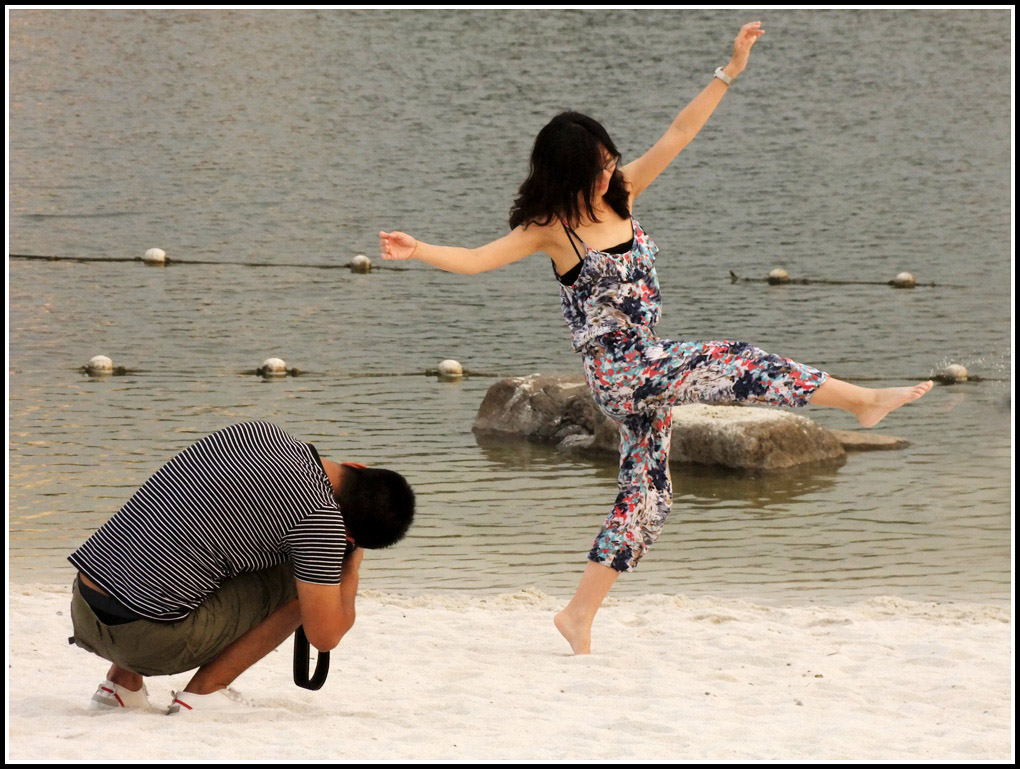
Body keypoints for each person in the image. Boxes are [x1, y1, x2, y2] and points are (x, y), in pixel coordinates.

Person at [378, 21, 932, 655]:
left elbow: (681, 132)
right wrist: (418, 248)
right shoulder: (551, 228)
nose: (610, 168)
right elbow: (477, 259)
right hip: (622, 371)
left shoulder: (625, 194)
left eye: (611, 158)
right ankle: (860, 401)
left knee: (650, 496)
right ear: (566, 172)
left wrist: (730, 70)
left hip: (648, 366)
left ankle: (578, 614)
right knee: (736, 360)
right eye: (598, 164)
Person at [68, 421, 415, 712]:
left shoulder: (260, 432)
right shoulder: (321, 520)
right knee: (298, 583)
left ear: (357, 466)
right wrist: (350, 568)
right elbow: (325, 636)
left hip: (85, 604)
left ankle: (121, 685)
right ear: (348, 534)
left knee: (193, 549)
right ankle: (203, 695)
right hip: (147, 640)